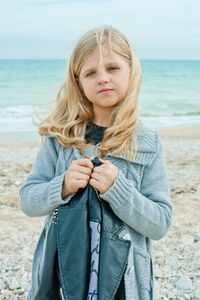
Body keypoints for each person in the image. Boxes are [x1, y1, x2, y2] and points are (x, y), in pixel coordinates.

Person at [20, 25, 172, 300]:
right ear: (78, 82)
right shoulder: (60, 138)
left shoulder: (148, 143)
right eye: (91, 72)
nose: (103, 78)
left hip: (123, 285)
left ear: (131, 72)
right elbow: (28, 201)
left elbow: (160, 223)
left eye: (112, 68)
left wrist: (119, 190)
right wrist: (62, 186)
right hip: (63, 277)